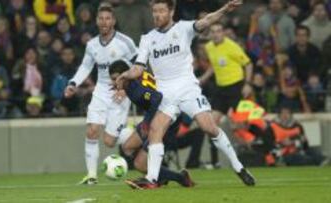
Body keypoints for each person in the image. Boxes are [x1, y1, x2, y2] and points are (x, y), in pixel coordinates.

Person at [116, 0, 255, 189]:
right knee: (156, 130)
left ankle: (239, 168)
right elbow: (139, 68)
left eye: (161, 11)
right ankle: (151, 179)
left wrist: (224, 10)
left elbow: (206, 21)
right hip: (165, 94)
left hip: (187, 89)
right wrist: (126, 74)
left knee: (209, 127)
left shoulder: (183, 28)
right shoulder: (148, 38)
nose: (156, 15)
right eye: (154, 11)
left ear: (171, 11)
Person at [63, 4, 137, 185]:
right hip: (101, 91)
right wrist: (73, 83)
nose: (104, 22)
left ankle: (140, 133)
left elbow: (138, 66)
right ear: (96, 21)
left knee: (110, 142)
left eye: (108, 18)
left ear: (113, 21)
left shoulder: (125, 42)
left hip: (121, 92)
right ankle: (91, 176)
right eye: (101, 18)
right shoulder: (92, 44)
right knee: (92, 130)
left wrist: (126, 89)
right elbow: (86, 67)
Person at [109, 60, 195, 188]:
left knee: (139, 165)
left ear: (125, 75)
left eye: (116, 79)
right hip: (154, 117)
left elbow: (157, 97)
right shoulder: (130, 84)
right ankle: (160, 175)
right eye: (112, 79)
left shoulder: (137, 88)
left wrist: (147, 123)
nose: (114, 82)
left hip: (166, 122)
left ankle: (175, 178)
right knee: (127, 147)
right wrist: (123, 90)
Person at [203, 23, 253, 167]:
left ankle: (249, 157)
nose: (216, 34)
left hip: (236, 88)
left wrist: (248, 84)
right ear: (210, 34)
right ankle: (215, 162)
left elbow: (248, 64)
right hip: (221, 89)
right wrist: (203, 79)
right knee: (210, 125)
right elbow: (214, 66)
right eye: (213, 31)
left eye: (219, 31)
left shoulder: (232, 47)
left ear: (223, 32)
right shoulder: (209, 47)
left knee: (238, 125)